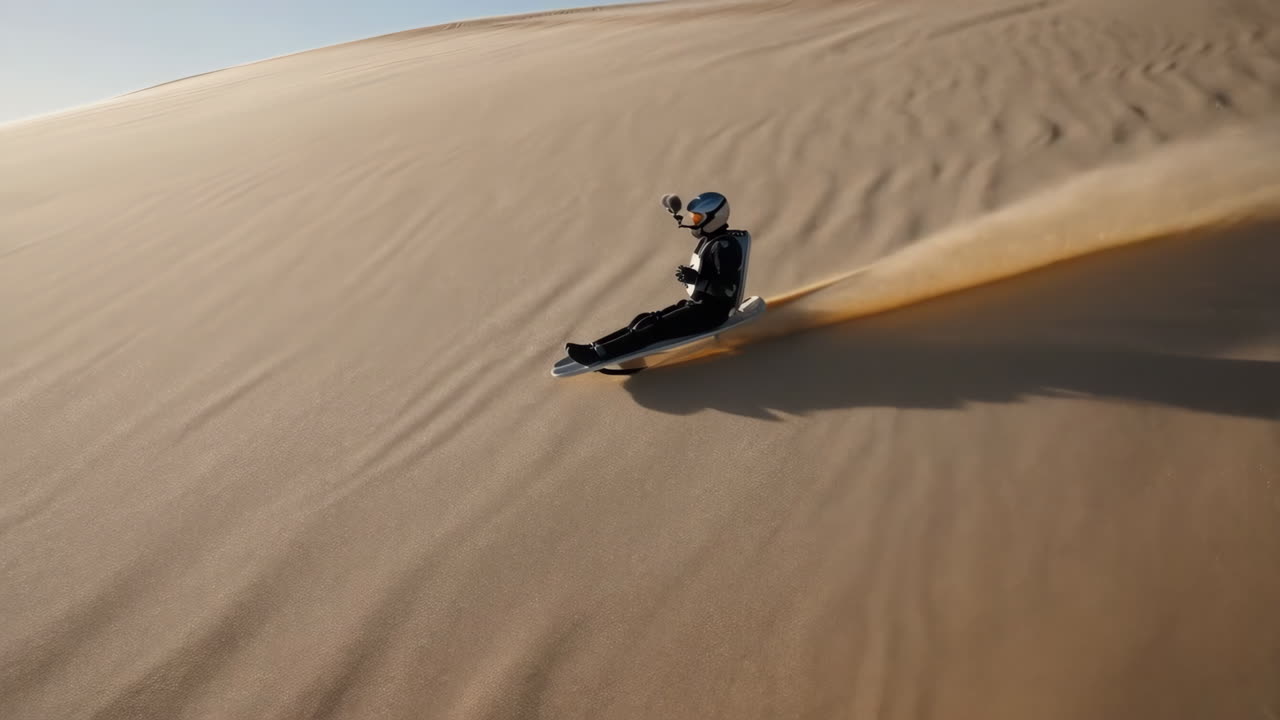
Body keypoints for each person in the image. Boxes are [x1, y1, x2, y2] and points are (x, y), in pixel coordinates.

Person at [565, 191, 747, 366]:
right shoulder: (715, 240)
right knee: (643, 320)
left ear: (715, 218)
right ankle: (595, 348)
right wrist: (695, 279)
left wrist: (697, 281)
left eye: (697, 218)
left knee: (650, 328)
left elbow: (728, 289)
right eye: (693, 217)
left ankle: (598, 355)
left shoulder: (724, 247)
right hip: (699, 307)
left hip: (712, 315)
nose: (693, 221)